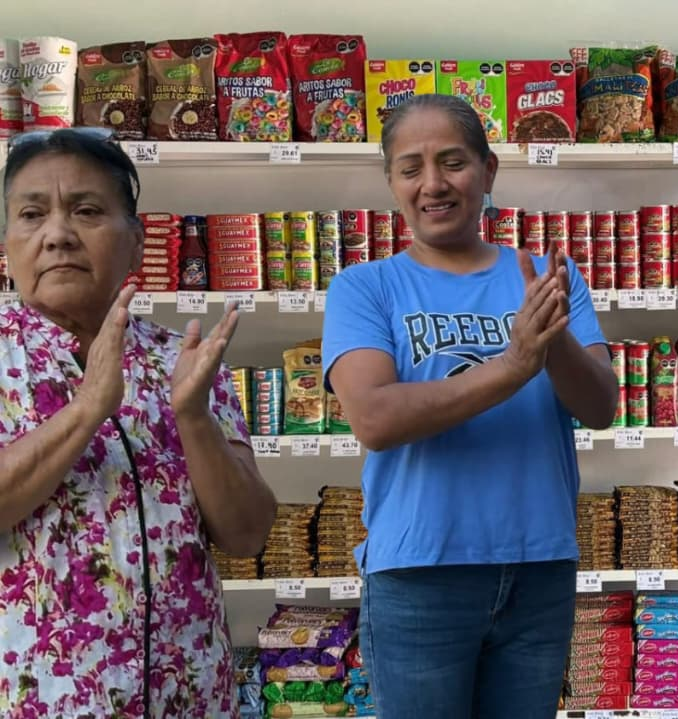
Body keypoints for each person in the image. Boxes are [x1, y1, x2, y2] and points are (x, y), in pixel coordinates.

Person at [322, 94, 617, 719]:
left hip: (540, 566)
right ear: (392, 183)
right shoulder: (363, 288)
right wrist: (513, 364)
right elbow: (375, 418)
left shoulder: (546, 275)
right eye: (411, 167)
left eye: (453, 162)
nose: (433, 183)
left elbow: (600, 407)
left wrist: (552, 333)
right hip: (419, 573)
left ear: (488, 171)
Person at [0, 128, 276, 716]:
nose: (57, 236)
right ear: (7, 244)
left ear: (135, 243)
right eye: (31, 214)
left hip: (188, 693)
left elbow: (248, 534)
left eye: (87, 211)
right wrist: (86, 410)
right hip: (39, 698)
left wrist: (193, 418)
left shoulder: (184, 359)